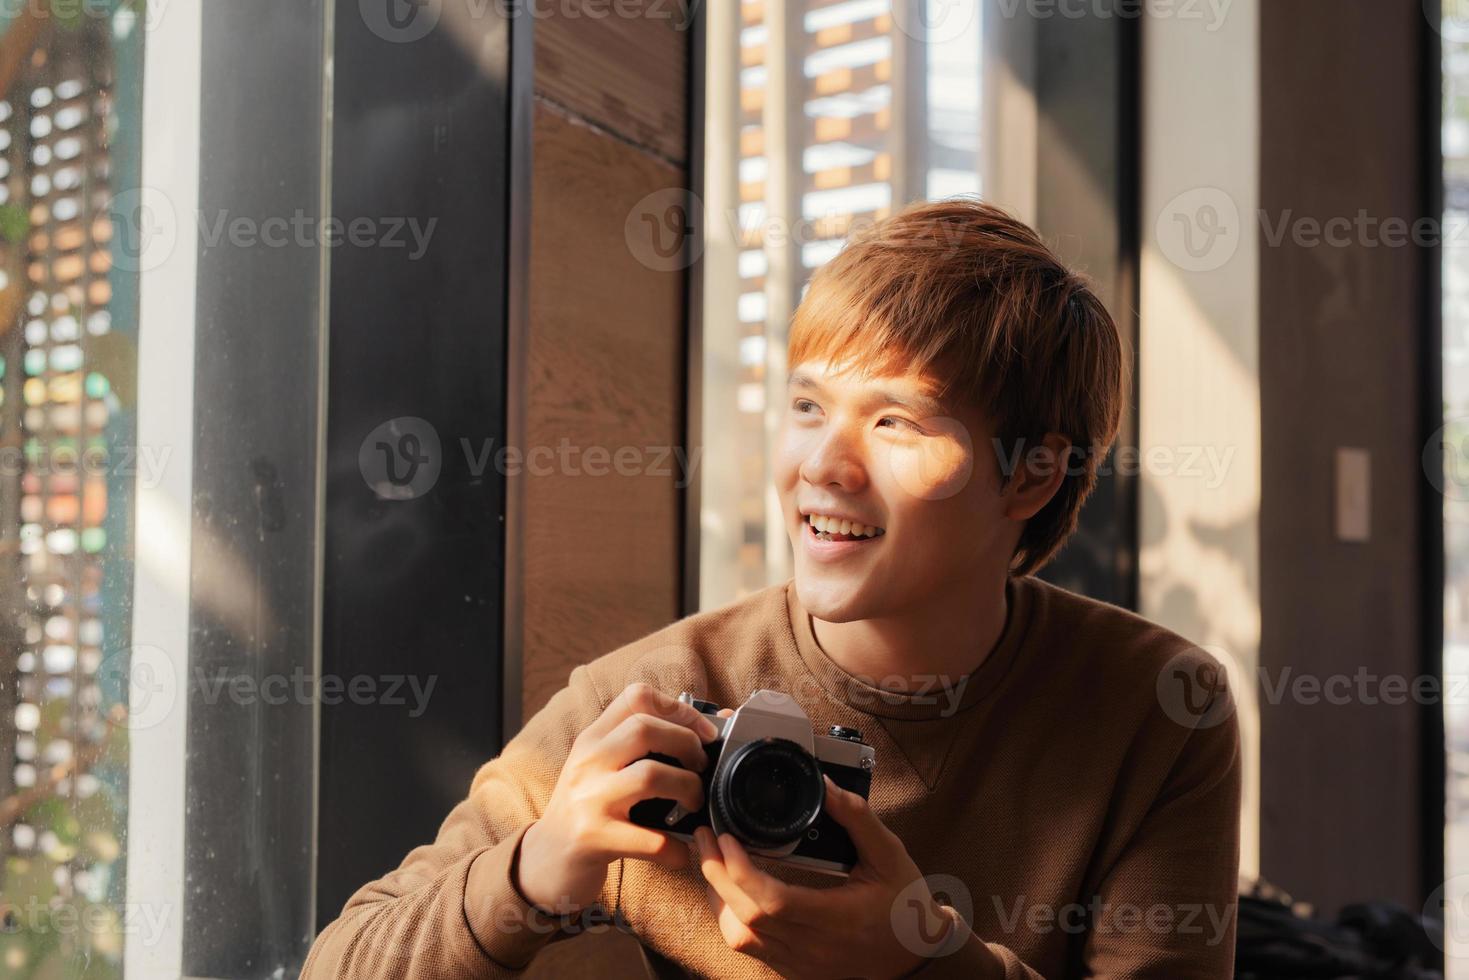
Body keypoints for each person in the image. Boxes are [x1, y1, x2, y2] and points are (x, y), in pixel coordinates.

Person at [300, 197, 1241, 979]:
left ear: (1031, 475)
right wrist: (535, 870)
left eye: (897, 422)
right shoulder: (648, 700)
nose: (821, 467)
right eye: (806, 407)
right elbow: (340, 962)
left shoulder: (1154, 708)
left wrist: (920, 960)